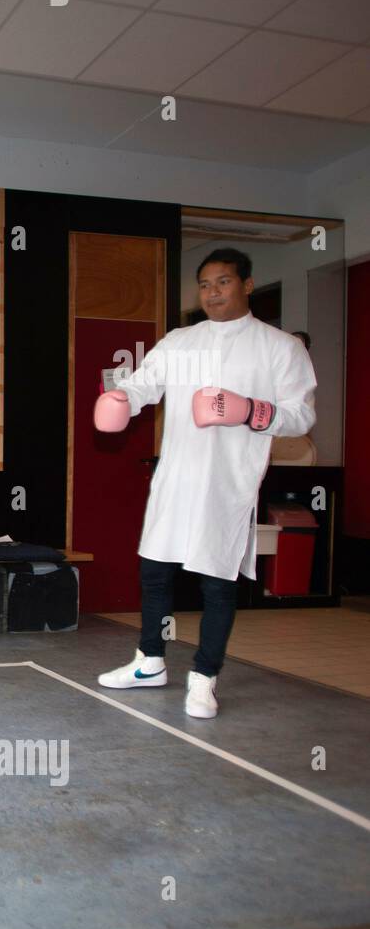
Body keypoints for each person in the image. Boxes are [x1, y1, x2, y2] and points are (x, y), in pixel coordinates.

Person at [93, 248, 316, 718]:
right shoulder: (179, 341)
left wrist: (251, 410)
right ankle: (150, 660)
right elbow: (145, 383)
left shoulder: (279, 347)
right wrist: (119, 397)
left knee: (217, 582)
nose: (213, 293)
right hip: (176, 476)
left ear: (247, 285)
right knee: (155, 571)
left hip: (228, 483)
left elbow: (302, 414)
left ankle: (204, 677)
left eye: (224, 282)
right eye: (205, 285)